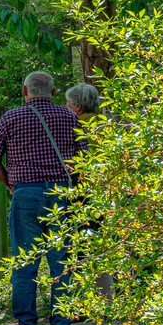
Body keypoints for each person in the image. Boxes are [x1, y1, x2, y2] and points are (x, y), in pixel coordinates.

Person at [0, 71, 83, 325]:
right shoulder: (69, 116)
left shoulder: (11, 117)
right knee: (61, 261)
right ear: (52, 93)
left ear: (25, 92)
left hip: (25, 194)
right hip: (61, 194)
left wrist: (9, 184)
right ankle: (61, 323)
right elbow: (81, 157)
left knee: (24, 261)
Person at [65, 82, 111, 305]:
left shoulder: (76, 128)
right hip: (107, 193)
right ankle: (108, 297)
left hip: (84, 193)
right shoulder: (106, 126)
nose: (65, 106)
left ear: (78, 106)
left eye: (67, 103)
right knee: (103, 246)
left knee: (82, 247)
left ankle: (87, 302)